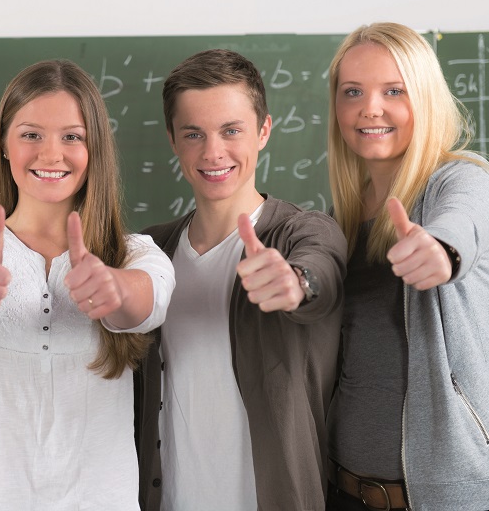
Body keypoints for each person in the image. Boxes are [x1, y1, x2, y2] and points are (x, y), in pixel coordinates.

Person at [0, 59, 175, 510]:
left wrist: (114, 290)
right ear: (3, 144)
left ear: (94, 149)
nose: (51, 155)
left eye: (72, 137)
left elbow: (146, 299)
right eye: (31, 134)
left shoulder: (136, 253)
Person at [135, 49, 348, 510]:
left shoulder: (301, 232)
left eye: (232, 130)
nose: (213, 152)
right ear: (173, 139)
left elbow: (321, 271)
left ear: (264, 131)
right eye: (194, 134)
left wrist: (294, 284)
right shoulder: (149, 252)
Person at [325, 22, 489, 511]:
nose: (370, 107)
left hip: (458, 495)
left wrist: (440, 251)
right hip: (348, 488)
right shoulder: (342, 219)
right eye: (353, 91)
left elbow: (463, 226)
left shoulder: (462, 180)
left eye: (394, 90)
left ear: (426, 98)